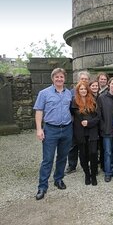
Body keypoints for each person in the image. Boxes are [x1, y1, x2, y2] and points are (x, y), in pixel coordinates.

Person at [33, 68, 73, 200]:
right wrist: (39, 129)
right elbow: (39, 111)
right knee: (48, 159)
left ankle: (58, 179)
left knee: (62, 157)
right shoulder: (44, 93)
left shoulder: (68, 94)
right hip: (50, 129)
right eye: (57, 77)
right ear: (52, 78)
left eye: (61, 77)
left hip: (66, 129)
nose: (59, 79)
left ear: (64, 79)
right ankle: (42, 186)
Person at [71, 81, 99, 186]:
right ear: (78, 91)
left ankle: (93, 175)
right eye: (81, 89)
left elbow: (98, 117)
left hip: (92, 131)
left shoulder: (93, 101)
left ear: (88, 90)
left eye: (85, 89)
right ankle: (87, 174)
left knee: (93, 153)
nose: (83, 91)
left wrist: (89, 122)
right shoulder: (74, 102)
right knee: (83, 155)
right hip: (80, 132)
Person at [66, 70, 91, 174]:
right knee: (73, 145)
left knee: (86, 145)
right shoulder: (71, 92)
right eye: (82, 79)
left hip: (87, 124)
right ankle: (72, 165)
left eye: (86, 79)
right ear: (78, 80)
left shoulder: (89, 93)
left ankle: (86, 164)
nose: (84, 81)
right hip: (73, 123)